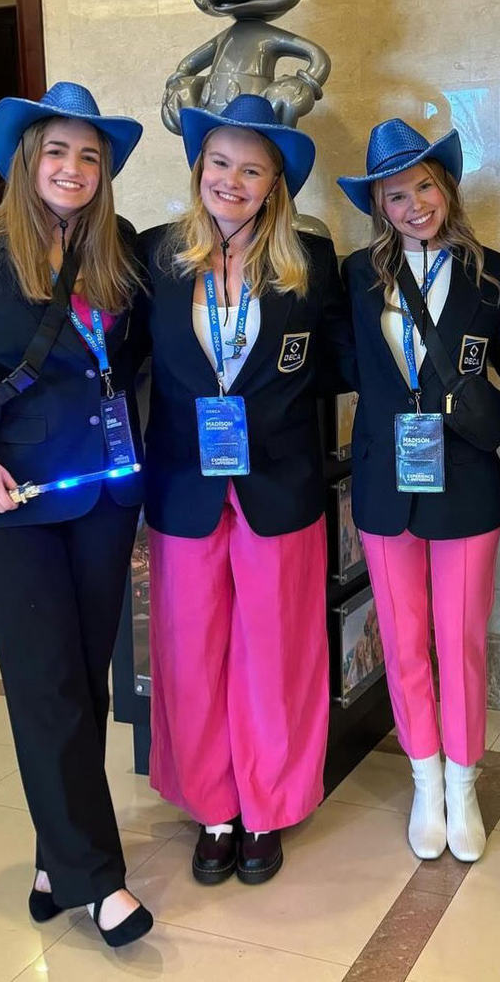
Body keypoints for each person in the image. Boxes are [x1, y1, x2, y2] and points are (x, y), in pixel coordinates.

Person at [0, 82, 154, 948]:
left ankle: (55, 856)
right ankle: (99, 879)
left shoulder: (119, 253)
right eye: (58, 151)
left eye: (89, 155)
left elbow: (138, 367)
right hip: (8, 504)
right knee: (44, 685)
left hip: (102, 497)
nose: (73, 168)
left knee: (82, 683)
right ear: (27, 159)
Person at [139, 94, 353, 888]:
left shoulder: (308, 260)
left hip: (278, 484)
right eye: (219, 162)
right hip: (184, 488)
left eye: (251, 168)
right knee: (192, 652)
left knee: (277, 650)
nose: (231, 179)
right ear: (200, 168)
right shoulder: (155, 257)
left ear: (275, 183)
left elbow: (338, 359)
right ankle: (213, 805)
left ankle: (265, 805)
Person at [337, 119, 500, 862]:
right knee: (403, 640)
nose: (414, 204)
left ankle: (465, 778)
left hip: (466, 482)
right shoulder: (355, 274)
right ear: (378, 202)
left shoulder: (493, 272)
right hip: (385, 483)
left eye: (424, 186)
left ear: (447, 186)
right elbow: (345, 366)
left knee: (461, 638)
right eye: (396, 193)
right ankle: (425, 778)